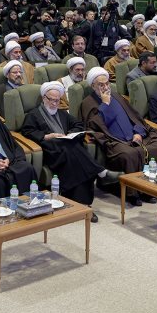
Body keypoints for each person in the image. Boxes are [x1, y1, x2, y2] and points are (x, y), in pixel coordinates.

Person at [20, 82, 120, 221]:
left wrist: (69, 133)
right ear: (44, 98)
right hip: (52, 152)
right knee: (79, 155)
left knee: (78, 161)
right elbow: (27, 131)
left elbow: (78, 125)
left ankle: (83, 206)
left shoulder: (62, 114)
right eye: (51, 100)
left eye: (57, 100)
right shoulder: (34, 115)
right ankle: (100, 173)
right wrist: (47, 136)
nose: (54, 103)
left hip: (68, 151)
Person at [80, 67, 157, 205]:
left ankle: (152, 188)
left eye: (107, 83)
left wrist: (138, 133)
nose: (105, 87)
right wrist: (104, 104)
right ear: (93, 86)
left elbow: (135, 117)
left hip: (135, 136)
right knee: (129, 154)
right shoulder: (88, 102)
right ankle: (132, 192)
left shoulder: (117, 96)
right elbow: (93, 125)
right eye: (101, 85)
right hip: (114, 141)